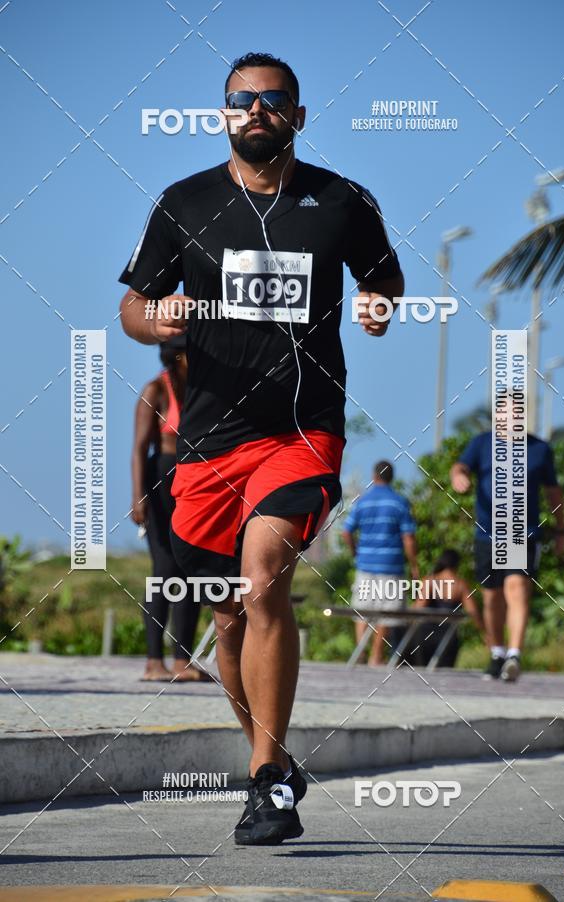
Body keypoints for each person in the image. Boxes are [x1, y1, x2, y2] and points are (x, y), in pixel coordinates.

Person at [118, 52, 404, 844]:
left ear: (297, 117)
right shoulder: (185, 204)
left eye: (273, 100)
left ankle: (269, 783)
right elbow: (132, 306)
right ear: (223, 114)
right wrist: (156, 320)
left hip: (302, 428)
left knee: (265, 573)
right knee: (231, 616)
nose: (256, 110)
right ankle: (265, 757)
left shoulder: (341, 200)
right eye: (241, 100)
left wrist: (378, 304)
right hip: (209, 441)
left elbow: (384, 279)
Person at [450, 427, 564, 682]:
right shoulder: (482, 442)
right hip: (487, 534)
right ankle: (497, 653)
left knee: (516, 588)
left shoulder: (539, 449)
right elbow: (460, 467)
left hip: (522, 533)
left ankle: (514, 655)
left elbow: (553, 492)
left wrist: (561, 529)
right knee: (492, 598)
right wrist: (459, 476)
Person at [131, 336, 210, 682]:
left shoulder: (201, 389)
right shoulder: (155, 391)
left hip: (195, 482)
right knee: (164, 568)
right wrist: (139, 497)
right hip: (161, 480)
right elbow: (139, 449)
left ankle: (182, 660)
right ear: (180, 356)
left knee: (190, 568)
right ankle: (153, 661)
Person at [342, 461, 418, 666]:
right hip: (391, 566)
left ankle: (360, 651)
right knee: (387, 612)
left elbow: (346, 531)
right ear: (392, 477)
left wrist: (355, 552)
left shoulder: (362, 502)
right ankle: (376, 656)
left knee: (362, 609)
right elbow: (409, 538)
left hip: (365, 565)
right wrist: (414, 566)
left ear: (374, 476)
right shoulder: (400, 502)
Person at [412, 549, 484, 668]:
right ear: (457, 564)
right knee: (445, 674)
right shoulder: (461, 585)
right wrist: (485, 633)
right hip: (448, 638)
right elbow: (473, 612)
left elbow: (419, 607)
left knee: (421, 672)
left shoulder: (430, 581)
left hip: (425, 635)